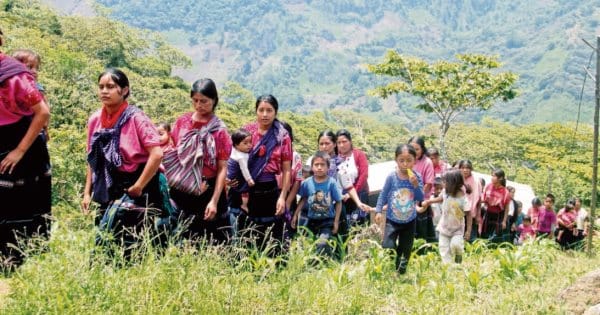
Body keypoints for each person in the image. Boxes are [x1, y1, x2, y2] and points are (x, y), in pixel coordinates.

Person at [82, 68, 169, 258]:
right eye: (101, 87)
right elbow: (93, 157)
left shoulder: (136, 118)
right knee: (103, 232)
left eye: (111, 87)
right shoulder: (96, 119)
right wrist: (87, 192)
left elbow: (156, 154)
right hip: (109, 182)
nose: (105, 91)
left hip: (139, 181)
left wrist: (139, 186)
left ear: (125, 90)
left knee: (129, 235)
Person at [0, 31, 51, 268]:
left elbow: (43, 113)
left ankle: (14, 260)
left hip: (22, 143)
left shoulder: (14, 75)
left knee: (17, 202)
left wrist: (19, 150)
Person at [168, 78, 231, 244]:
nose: (199, 105)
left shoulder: (219, 131)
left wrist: (214, 201)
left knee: (210, 239)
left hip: (207, 189)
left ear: (214, 101)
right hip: (181, 188)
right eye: (195, 100)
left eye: (204, 101)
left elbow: (222, 168)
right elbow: (173, 152)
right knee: (178, 235)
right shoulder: (182, 122)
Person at [235, 95, 291, 256]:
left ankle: (276, 271)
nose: (265, 114)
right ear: (256, 111)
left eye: (269, 110)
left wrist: (282, 197)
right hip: (248, 189)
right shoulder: (248, 132)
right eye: (261, 110)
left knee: (274, 233)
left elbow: (287, 169)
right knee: (250, 231)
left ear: (275, 112)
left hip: (271, 189)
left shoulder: (282, 136)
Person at [374, 144, 424, 274]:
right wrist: (378, 210)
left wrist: (415, 185)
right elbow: (383, 194)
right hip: (392, 219)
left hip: (409, 220)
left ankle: (400, 272)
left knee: (406, 248)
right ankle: (391, 266)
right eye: (402, 160)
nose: (405, 164)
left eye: (409, 160)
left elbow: (420, 197)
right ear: (396, 160)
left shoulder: (417, 177)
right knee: (387, 246)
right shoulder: (392, 177)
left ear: (415, 160)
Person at [291, 151, 342, 257]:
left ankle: (326, 263)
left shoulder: (331, 183)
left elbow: (338, 202)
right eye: (316, 165)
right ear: (312, 167)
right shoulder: (307, 183)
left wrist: (336, 221)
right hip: (311, 220)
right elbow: (303, 198)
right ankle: (312, 265)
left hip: (327, 221)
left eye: (322, 165)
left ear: (328, 167)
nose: (319, 167)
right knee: (308, 244)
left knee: (322, 243)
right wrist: (295, 214)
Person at [11, 49, 49, 141]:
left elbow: (46, 111)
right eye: (29, 67)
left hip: (34, 134)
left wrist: (45, 129)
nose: (34, 71)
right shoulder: (12, 87)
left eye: (37, 68)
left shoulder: (36, 88)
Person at [436, 170, 471, 264]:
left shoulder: (463, 198)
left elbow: (469, 214)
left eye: (444, 182)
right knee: (444, 248)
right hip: (444, 227)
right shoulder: (445, 193)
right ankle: (448, 269)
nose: (442, 184)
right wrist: (428, 202)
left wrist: (468, 231)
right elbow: (440, 199)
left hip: (457, 229)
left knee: (456, 245)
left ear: (453, 183)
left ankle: (459, 256)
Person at [336, 129, 370, 227]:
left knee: (360, 224)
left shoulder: (359, 155)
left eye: (344, 141)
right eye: (339, 142)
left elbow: (364, 175)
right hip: (341, 197)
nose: (342, 145)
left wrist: (351, 193)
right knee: (344, 224)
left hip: (359, 194)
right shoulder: (335, 158)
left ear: (350, 141)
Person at [227, 128, 254, 212]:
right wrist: (249, 180)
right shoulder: (242, 156)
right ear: (236, 145)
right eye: (245, 143)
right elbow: (244, 169)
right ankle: (244, 205)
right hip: (234, 177)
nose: (249, 145)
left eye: (250, 142)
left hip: (228, 175)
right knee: (244, 189)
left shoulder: (233, 150)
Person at [481, 168, 511, 242]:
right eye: (492, 175)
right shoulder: (488, 186)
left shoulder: (505, 192)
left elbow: (507, 209)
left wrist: (504, 221)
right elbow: (483, 199)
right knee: (484, 234)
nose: (492, 178)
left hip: (499, 216)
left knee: (494, 237)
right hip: (488, 214)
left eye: (494, 176)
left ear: (500, 178)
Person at [458, 160, 481, 241]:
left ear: (471, 169)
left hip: (471, 213)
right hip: (458, 213)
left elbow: (479, 199)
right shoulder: (457, 179)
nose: (465, 170)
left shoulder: (476, 180)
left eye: (467, 168)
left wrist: (478, 214)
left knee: (470, 238)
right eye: (463, 168)